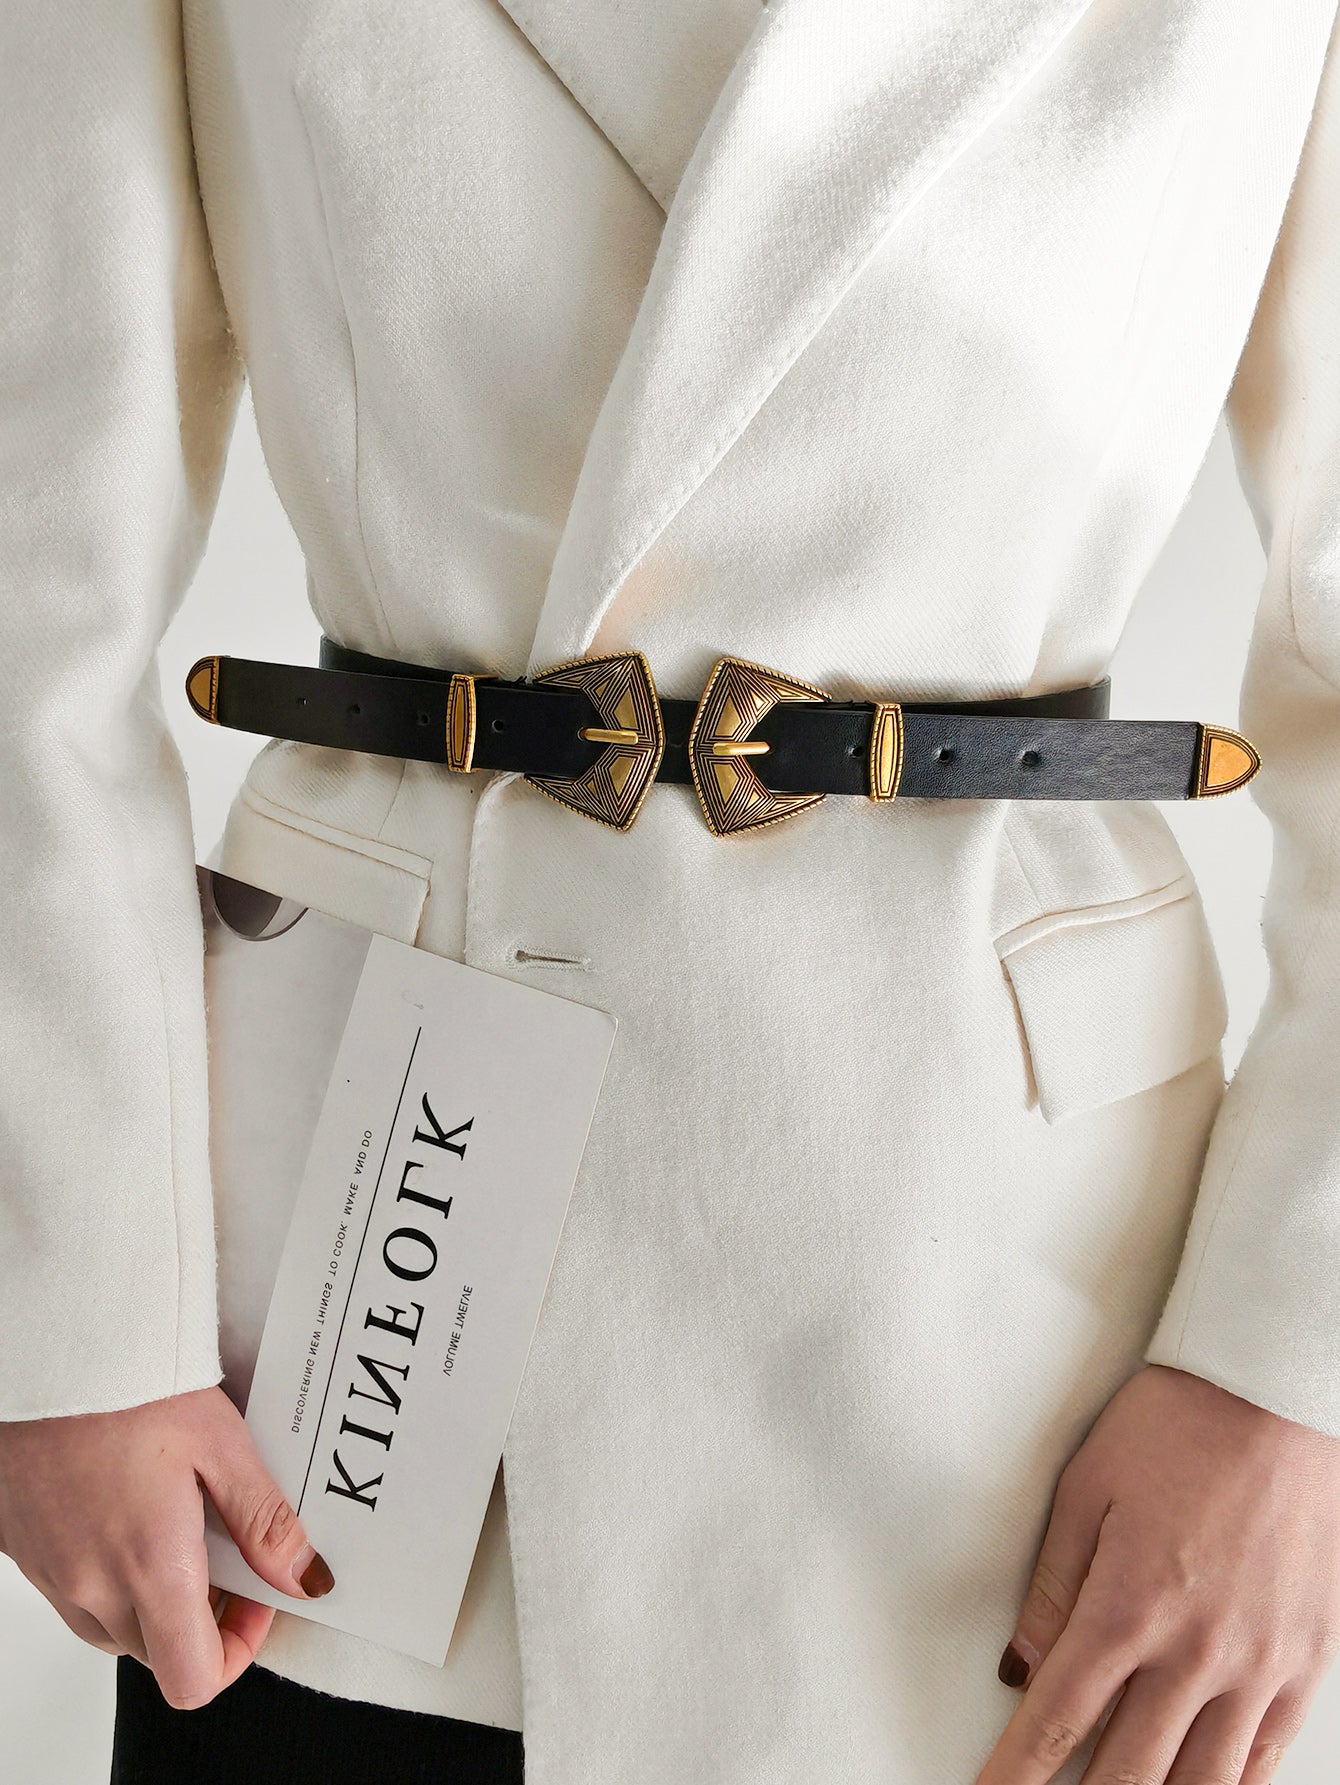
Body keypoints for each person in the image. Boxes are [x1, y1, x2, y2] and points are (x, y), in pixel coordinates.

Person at [3, 2, 1340, 1782]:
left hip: (1017, 1313)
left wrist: (1292, 1370)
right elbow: (29, 581)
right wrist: (78, 1310)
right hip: (355, 1313)